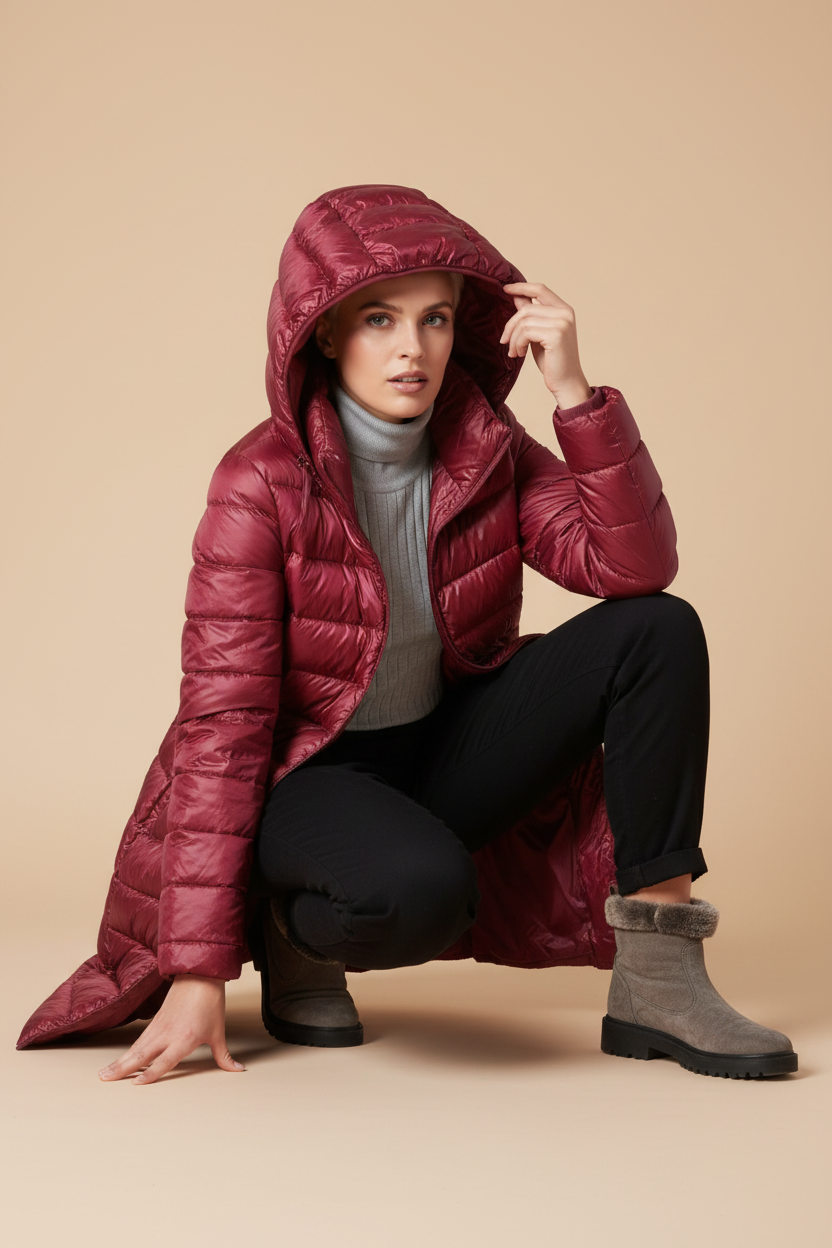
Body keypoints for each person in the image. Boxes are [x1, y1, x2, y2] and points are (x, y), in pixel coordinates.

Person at [17, 183, 797, 1083]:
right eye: (379, 319)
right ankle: (290, 921)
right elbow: (221, 727)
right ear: (324, 332)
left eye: (434, 320)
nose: (411, 349)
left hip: (439, 746)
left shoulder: (487, 445)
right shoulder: (257, 483)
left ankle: (660, 978)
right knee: (421, 897)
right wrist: (199, 972)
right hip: (308, 774)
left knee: (658, 628)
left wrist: (574, 392)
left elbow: (634, 567)